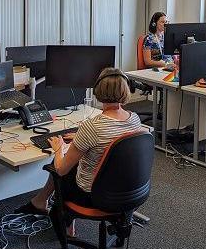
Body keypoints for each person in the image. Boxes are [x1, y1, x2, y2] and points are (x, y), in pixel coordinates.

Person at [14, 68, 143, 231]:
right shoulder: (134, 119)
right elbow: (115, 140)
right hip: (127, 191)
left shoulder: (92, 127)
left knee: (61, 162)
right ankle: (44, 205)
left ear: (98, 90)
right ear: (126, 90)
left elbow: (61, 170)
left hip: (92, 196)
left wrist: (59, 147)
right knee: (76, 159)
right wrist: (83, 139)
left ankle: (60, 217)